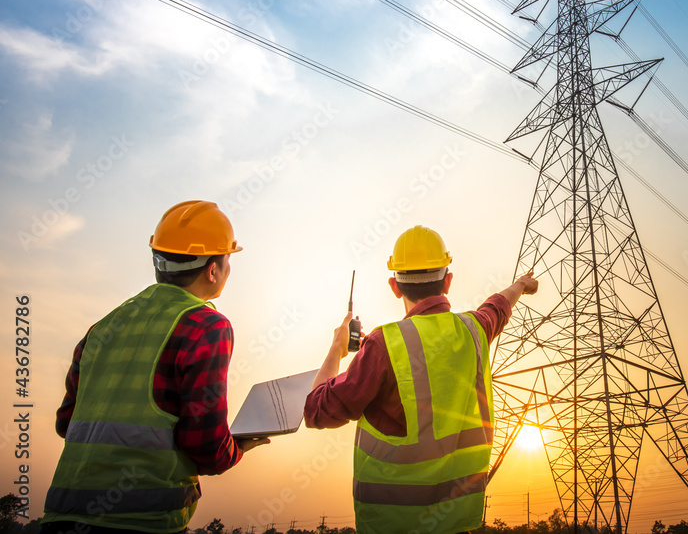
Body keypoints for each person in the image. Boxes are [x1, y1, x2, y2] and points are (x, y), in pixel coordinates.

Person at [41, 201, 269, 534]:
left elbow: (67, 423)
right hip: (140, 521)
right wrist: (236, 447)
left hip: (60, 516)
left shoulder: (102, 327)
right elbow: (204, 445)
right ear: (212, 270)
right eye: (228, 259)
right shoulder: (206, 326)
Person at [304, 225, 538, 534]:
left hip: (391, 525)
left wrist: (337, 349)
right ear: (448, 281)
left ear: (394, 286)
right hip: (456, 523)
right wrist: (520, 285)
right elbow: (497, 307)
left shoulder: (383, 344)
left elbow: (317, 411)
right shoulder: (473, 330)